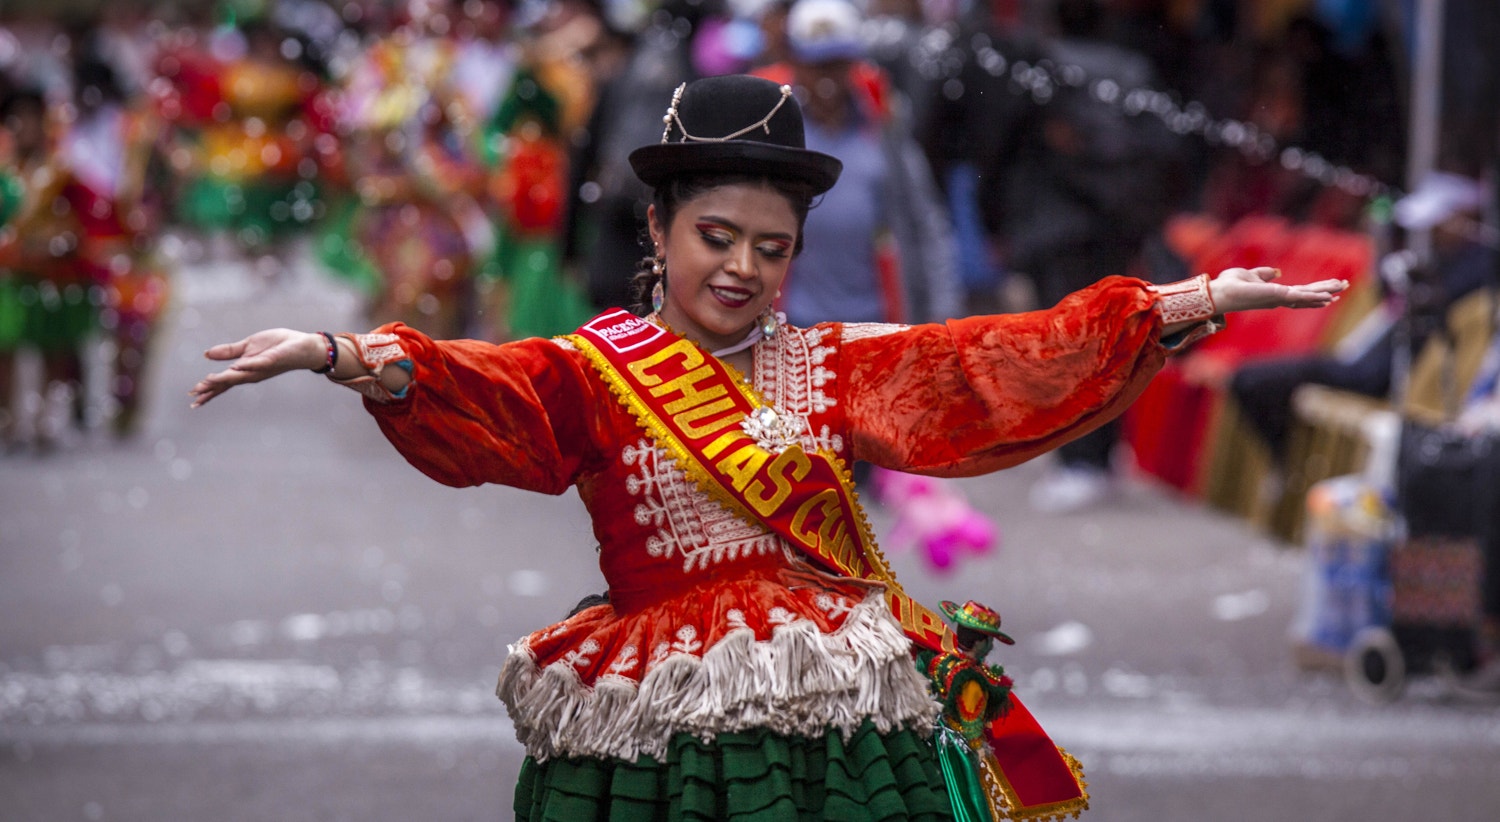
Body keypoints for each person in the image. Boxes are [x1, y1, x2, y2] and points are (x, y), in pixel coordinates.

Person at [190, 74, 1346, 820]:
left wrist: (1184, 300)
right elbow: (476, 388)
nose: (742, 269)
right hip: (660, 732)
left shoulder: (833, 363)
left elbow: (990, 362)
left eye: (773, 248)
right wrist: (344, 353)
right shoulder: (592, 375)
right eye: (716, 237)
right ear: (656, 229)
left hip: (841, 723)